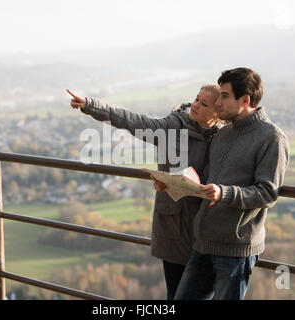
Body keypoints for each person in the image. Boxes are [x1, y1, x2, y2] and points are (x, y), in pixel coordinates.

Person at [66, 85, 223, 299]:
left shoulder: (224, 137)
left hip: (206, 229)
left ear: (218, 111)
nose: (195, 105)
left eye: (204, 104)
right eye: (196, 99)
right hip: (174, 226)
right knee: (175, 294)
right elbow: (135, 122)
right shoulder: (173, 126)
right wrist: (91, 105)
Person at [174, 67, 290, 300]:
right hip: (203, 244)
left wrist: (223, 193)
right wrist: (176, 185)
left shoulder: (272, 137)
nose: (218, 102)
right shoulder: (224, 133)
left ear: (245, 99)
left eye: (224, 96)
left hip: (235, 251)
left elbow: (267, 193)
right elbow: (207, 181)